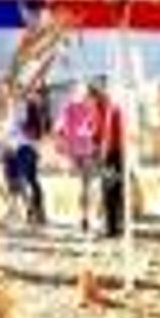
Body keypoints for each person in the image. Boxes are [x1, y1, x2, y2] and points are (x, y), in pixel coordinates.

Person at [55, 81, 99, 232]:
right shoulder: (69, 108)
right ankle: (84, 216)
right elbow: (59, 129)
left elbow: (93, 127)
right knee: (83, 186)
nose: (81, 95)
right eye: (79, 92)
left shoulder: (86, 108)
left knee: (85, 186)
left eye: (82, 92)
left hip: (84, 151)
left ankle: (85, 217)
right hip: (77, 152)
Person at [91, 82, 126, 239]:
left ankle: (112, 227)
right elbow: (97, 134)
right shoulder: (106, 108)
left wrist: (98, 145)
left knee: (110, 189)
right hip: (114, 153)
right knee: (114, 189)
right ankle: (116, 224)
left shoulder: (109, 109)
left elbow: (103, 133)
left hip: (111, 154)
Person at [17, 86, 49, 225]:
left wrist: (24, 128)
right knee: (31, 180)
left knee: (27, 180)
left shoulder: (34, 109)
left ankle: (33, 211)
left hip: (27, 147)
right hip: (29, 147)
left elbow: (35, 132)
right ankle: (36, 211)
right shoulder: (34, 108)